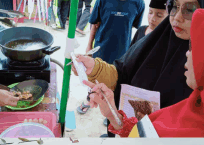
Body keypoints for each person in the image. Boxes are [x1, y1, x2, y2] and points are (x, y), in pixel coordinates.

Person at [73, 0, 204, 137]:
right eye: (173, 6)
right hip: (133, 134)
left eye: (189, 9)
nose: (177, 17)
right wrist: (95, 68)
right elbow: (123, 72)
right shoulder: (156, 39)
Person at [77, 0, 145, 115]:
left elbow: (134, 26)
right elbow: (94, 24)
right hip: (101, 48)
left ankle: (110, 108)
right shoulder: (102, 1)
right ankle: (90, 99)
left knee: (117, 81)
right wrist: (89, 45)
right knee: (93, 75)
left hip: (122, 51)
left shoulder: (139, 3)